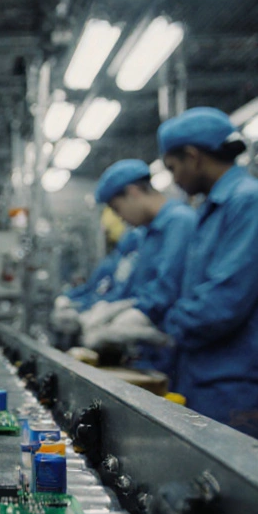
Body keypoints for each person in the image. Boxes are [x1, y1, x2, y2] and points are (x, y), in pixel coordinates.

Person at [158, 107, 258, 443]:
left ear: (194, 157)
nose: (174, 179)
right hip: (205, 380)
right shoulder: (214, 207)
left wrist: (163, 327)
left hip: (238, 388)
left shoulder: (250, 204)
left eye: (173, 168)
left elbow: (223, 302)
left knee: (239, 491)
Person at [81, 159, 197, 377]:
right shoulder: (145, 233)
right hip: (150, 353)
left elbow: (167, 287)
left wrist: (138, 314)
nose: (120, 218)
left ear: (133, 192)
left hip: (173, 351)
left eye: (117, 208)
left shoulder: (180, 222)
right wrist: (110, 309)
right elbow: (134, 287)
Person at [51, 225, 145, 334]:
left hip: (109, 311)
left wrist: (87, 308)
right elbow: (91, 287)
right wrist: (68, 297)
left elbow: (120, 296)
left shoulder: (134, 265)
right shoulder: (111, 262)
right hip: (94, 306)